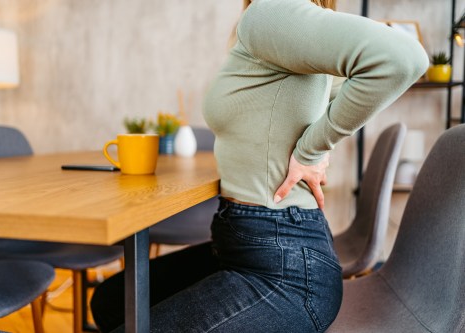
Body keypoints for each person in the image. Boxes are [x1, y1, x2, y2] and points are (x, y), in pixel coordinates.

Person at [90, 0, 428, 332]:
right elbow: (331, 92)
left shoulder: (268, 13)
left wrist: (312, 148)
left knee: (126, 316)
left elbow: (404, 58)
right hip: (247, 243)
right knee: (111, 301)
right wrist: (317, 136)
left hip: (287, 267)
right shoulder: (283, 25)